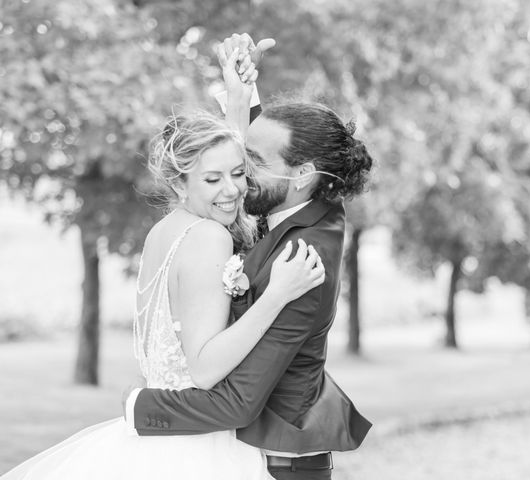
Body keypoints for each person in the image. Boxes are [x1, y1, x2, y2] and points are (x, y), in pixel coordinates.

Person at [1, 43, 325, 480]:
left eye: (237, 173)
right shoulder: (209, 237)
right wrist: (277, 295)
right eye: (212, 179)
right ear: (179, 182)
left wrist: (239, 96)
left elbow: (221, 160)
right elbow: (206, 368)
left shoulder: (166, 232)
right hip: (198, 449)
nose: (232, 190)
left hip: (162, 438)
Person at [124, 33, 374, 480]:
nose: (239, 184)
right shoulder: (301, 197)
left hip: (282, 466)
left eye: (247, 167)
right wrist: (241, 95)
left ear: (302, 175)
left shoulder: (303, 260)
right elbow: (263, 155)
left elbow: (236, 402)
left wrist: (140, 407)